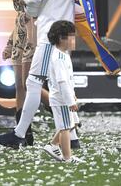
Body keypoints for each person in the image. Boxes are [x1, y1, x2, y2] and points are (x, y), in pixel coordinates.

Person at [0, 0, 119, 149]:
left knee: (35, 84)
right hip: (54, 36)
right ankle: (71, 139)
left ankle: (20, 134)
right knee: (57, 88)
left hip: (51, 37)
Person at [1, 0, 43, 146]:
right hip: (19, 35)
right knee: (19, 86)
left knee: (30, 83)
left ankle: (66, 109)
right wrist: (10, 42)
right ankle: (23, 134)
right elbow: (19, 15)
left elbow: (37, 8)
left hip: (34, 34)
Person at [43, 20, 83, 163]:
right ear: (61, 38)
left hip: (63, 98)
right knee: (66, 127)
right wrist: (70, 101)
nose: (74, 40)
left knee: (67, 124)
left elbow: (67, 81)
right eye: (71, 36)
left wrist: (72, 95)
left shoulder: (63, 55)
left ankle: (52, 145)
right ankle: (67, 157)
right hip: (61, 99)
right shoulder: (59, 57)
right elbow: (62, 82)